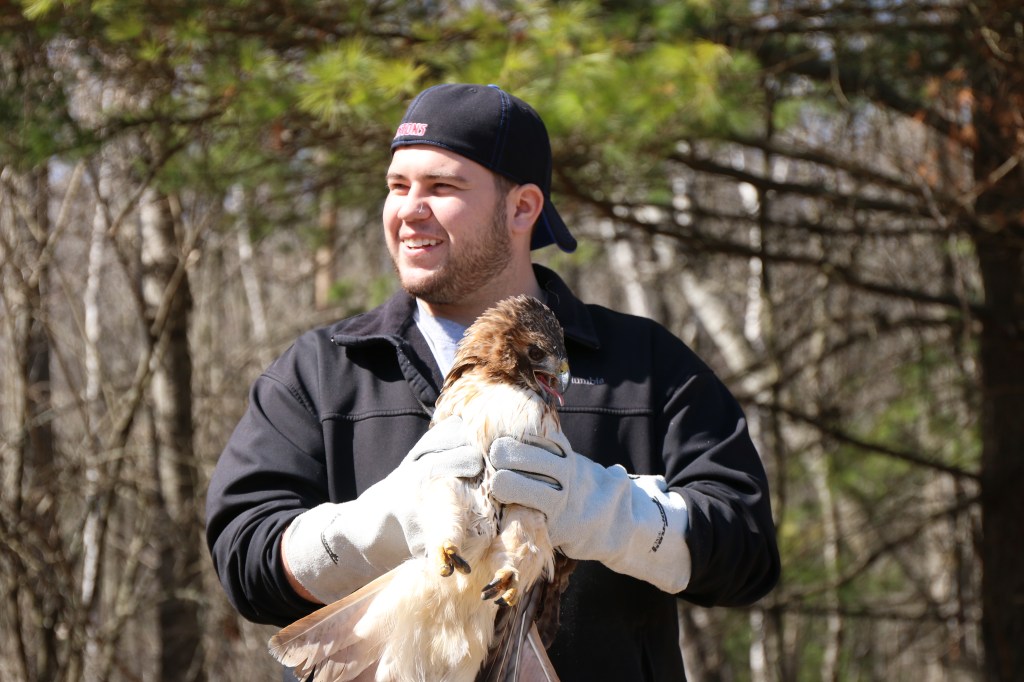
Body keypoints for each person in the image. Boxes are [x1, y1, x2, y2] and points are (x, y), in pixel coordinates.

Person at [205, 83, 780, 681]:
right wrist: (379, 525)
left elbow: (746, 552)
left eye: (442, 187)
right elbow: (245, 559)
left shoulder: (644, 364)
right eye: (397, 186)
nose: (408, 209)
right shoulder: (323, 371)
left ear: (522, 208)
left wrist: (607, 512)